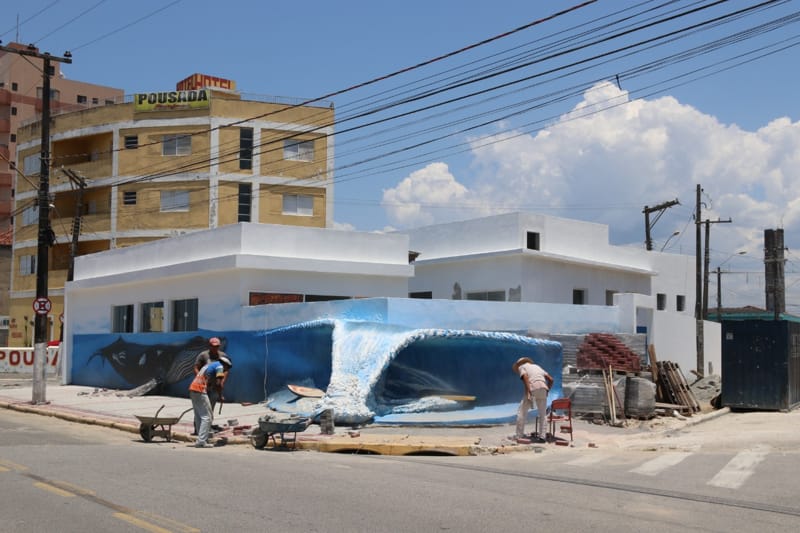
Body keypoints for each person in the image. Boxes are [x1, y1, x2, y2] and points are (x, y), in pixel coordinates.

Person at [193, 337, 230, 433]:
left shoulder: (223, 356)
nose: (215, 348)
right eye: (213, 346)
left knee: (210, 409)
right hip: (203, 387)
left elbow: (226, 370)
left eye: (217, 346)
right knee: (201, 409)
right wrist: (200, 378)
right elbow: (196, 367)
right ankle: (198, 429)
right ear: (209, 346)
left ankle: (206, 428)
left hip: (214, 387)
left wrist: (222, 381)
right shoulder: (203, 355)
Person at [512, 356, 553, 443]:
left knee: (521, 412)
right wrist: (547, 390)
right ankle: (542, 437)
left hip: (533, 388)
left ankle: (519, 435)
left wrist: (528, 391)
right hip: (543, 389)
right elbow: (551, 379)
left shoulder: (521, 367)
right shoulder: (537, 367)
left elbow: (526, 378)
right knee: (543, 414)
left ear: (519, 364)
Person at [188, 356, 225, 448]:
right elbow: (218, 383)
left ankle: (200, 439)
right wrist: (220, 396)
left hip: (193, 388)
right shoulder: (220, 366)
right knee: (207, 417)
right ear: (226, 365)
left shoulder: (209, 365)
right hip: (200, 390)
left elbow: (207, 379)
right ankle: (201, 441)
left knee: (198, 416)